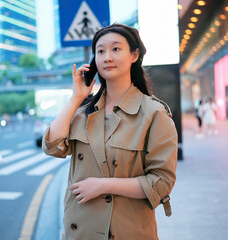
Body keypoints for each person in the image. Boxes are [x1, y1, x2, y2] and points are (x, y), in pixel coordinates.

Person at [42, 23, 178, 240]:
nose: (107, 57)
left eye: (116, 49)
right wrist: (77, 96)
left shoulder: (154, 113)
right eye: (100, 51)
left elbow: (162, 183)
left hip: (126, 231)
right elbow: (53, 147)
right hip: (80, 231)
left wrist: (103, 186)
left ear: (134, 55)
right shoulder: (82, 112)